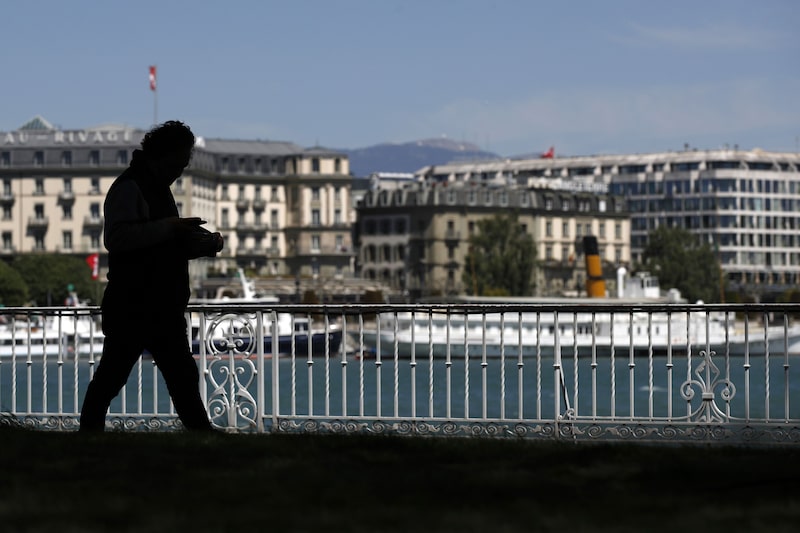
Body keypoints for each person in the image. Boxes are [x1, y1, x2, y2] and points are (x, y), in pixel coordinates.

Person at [80, 120, 223, 432]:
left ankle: (201, 432)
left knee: (178, 374)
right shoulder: (129, 187)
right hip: (135, 304)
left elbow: (160, 246)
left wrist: (204, 243)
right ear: (164, 155)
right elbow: (117, 239)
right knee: (115, 376)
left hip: (155, 304)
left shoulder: (152, 187)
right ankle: (201, 433)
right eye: (180, 161)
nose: (182, 169)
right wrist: (172, 227)